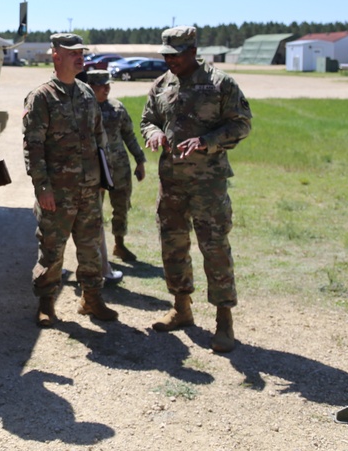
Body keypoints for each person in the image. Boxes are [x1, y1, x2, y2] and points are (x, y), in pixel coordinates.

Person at [140, 26, 252, 353]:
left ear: (192, 51)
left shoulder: (220, 84)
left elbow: (242, 124)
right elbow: (148, 119)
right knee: (173, 246)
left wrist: (206, 141)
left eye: (175, 55)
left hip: (208, 184)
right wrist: (153, 134)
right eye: (166, 55)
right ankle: (181, 308)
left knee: (214, 248)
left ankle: (223, 320)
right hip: (171, 182)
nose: (169, 60)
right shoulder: (162, 85)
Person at [22, 32, 118, 327]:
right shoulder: (42, 97)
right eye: (72, 52)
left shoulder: (87, 93)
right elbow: (33, 147)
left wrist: (103, 178)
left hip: (89, 189)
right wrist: (42, 188)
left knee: (90, 247)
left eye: (81, 52)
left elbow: (98, 140)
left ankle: (91, 299)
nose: (80, 56)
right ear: (56, 56)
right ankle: (46, 303)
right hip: (57, 192)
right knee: (52, 250)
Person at [85, 70, 146, 276]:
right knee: (93, 211)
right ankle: (95, 251)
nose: (106, 88)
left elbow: (129, 135)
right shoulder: (84, 109)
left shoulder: (117, 108)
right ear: (90, 87)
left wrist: (140, 160)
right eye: (101, 85)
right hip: (96, 170)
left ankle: (119, 244)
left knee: (121, 206)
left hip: (119, 167)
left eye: (108, 85)